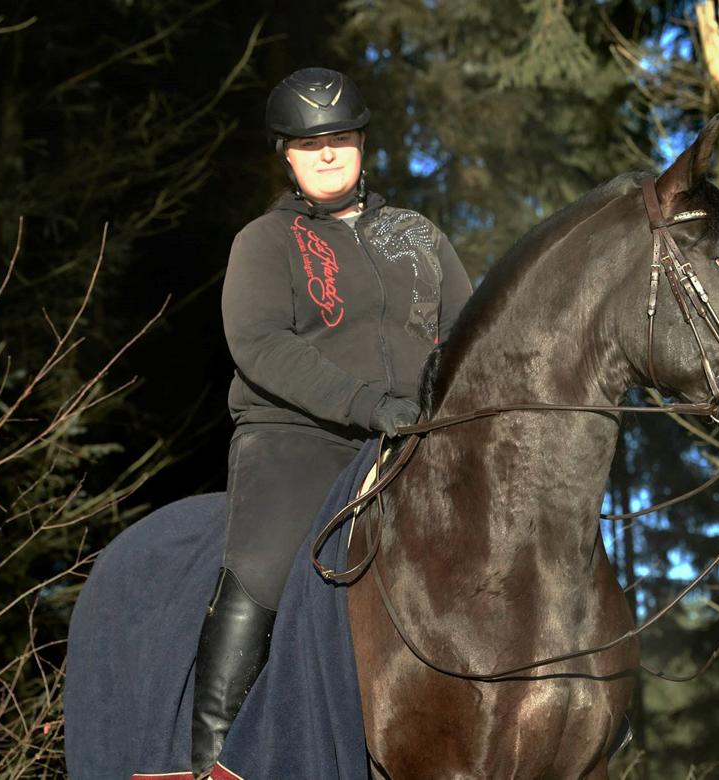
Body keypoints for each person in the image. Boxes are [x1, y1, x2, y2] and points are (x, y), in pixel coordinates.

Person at [190, 67, 472, 776]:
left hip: (413, 433)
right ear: (285, 153)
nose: (326, 154)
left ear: (361, 144)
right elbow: (260, 345)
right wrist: (364, 405)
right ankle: (214, 758)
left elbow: (470, 332)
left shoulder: (419, 234)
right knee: (262, 567)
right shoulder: (264, 240)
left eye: (340, 139)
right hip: (299, 435)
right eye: (310, 143)